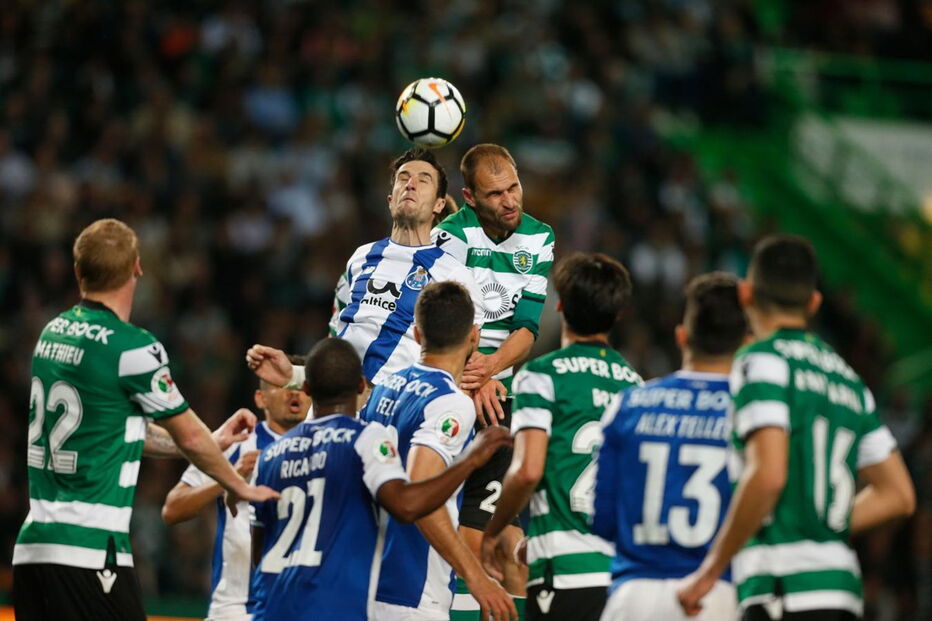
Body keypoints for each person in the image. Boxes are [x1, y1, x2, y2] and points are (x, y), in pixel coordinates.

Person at [12, 218, 278, 621]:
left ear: (77, 271)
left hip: (33, 548)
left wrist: (216, 439)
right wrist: (239, 483)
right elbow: (188, 436)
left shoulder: (52, 334)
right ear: (137, 267)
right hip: (90, 550)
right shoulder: (132, 347)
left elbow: (120, 430)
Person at [677, 236, 916, 620]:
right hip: (840, 589)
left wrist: (710, 571)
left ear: (746, 294)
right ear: (814, 302)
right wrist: (823, 523)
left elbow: (769, 475)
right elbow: (899, 494)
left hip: (782, 586)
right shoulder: (848, 380)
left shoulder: (761, 361)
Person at [249, 337, 513, 621]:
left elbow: (259, 547)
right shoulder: (364, 440)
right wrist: (469, 461)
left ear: (307, 390)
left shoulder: (272, 454)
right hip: (332, 602)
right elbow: (407, 505)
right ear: (362, 386)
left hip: (272, 603)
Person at [481, 253, 643, 620]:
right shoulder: (635, 386)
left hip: (563, 573)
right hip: (621, 576)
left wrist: (494, 531)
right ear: (618, 314)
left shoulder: (542, 375)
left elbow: (527, 471)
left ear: (561, 305)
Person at [433, 143, 555, 619]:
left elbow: (527, 328)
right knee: (461, 537)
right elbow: (451, 316)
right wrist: (475, 373)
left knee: (500, 541)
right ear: (470, 197)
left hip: (500, 393)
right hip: (451, 390)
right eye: (496, 193)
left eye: (514, 187)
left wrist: (487, 370)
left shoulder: (540, 238)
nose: (510, 201)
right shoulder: (449, 234)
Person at [592, 272, 748, 621]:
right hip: (715, 593)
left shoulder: (629, 404)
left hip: (634, 595)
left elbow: (602, 519)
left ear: (682, 336)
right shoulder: (753, 415)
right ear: (746, 342)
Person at [359, 280, 517, 621]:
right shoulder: (451, 404)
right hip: (412, 590)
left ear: (417, 335)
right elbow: (419, 497)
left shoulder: (382, 389)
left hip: (364, 582)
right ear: (474, 337)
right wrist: (477, 578)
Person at [161, 358, 312, 621]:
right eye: (282, 385)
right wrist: (229, 479)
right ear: (260, 398)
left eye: (301, 385)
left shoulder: (328, 446)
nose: (293, 392)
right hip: (237, 608)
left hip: (305, 606)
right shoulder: (234, 445)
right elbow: (173, 509)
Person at [329, 147, 484, 387]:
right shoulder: (360, 257)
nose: (410, 184)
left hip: (395, 403)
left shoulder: (454, 276)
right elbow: (337, 330)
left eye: (423, 180)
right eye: (403, 178)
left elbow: (468, 354)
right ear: (390, 200)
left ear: (439, 204)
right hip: (336, 393)